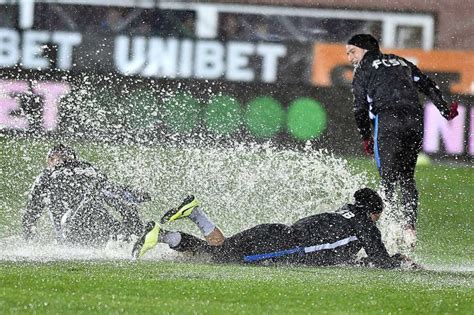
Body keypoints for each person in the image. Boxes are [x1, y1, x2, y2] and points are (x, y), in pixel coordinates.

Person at [345, 34, 459, 242]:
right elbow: (427, 85)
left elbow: (359, 107)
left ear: (365, 50)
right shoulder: (401, 61)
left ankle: (392, 227)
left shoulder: (363, 68)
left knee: (387, 178)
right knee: (406, 176)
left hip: (388, 120)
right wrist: (444, 109)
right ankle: (409, 228)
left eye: (352, 52)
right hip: (415, 119)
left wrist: (366, 137)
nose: (350, 58)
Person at [132, 188, 419, 269]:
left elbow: (334, 250)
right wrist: (401, 262)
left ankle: (186, 219)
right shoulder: (362, 224)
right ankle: (176, 226)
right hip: (280, 247)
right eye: (378, 218)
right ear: (373, 214)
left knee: (216, 250)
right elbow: (381, 260)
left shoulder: (340, 215)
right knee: (217, 258)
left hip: (274, 232)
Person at [22, 143, 150, 246]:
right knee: (110, 199)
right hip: (103, 226)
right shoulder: (89, 170)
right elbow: (113, 190)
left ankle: (133, 232)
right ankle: (137, 233)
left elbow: (31, 212)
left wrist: (28, 240)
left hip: (70, 233)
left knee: (93, 201)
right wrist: (133, 193)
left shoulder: (46, 176)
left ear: (51, 160)